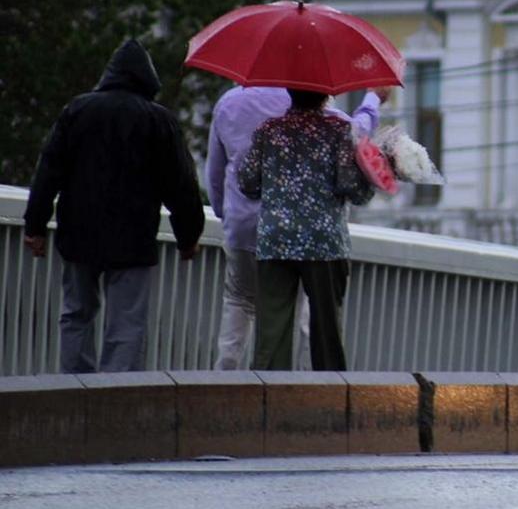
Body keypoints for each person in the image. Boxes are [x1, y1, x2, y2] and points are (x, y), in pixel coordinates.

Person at [23, 38, 205, 373]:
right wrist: (188, 236)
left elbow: (48, 171)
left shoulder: (77, 110)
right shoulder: (158, 120)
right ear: (147, 80)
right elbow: (181, 185)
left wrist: (35, 225)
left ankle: (73, 390)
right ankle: (115, 397)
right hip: (133, 237)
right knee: (127, 323)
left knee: (76, 313)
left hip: (78, 231)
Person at [206, 86, 387, 369]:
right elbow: (353, 189)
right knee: (324, 327)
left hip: (274, 241)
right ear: (326, 94)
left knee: (271, 330)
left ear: (291, 92)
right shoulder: (338, 129)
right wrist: (373, 181)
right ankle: (324, 394)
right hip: (323, 244)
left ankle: (268, 394)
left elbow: (248, 184)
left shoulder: (269, 130)